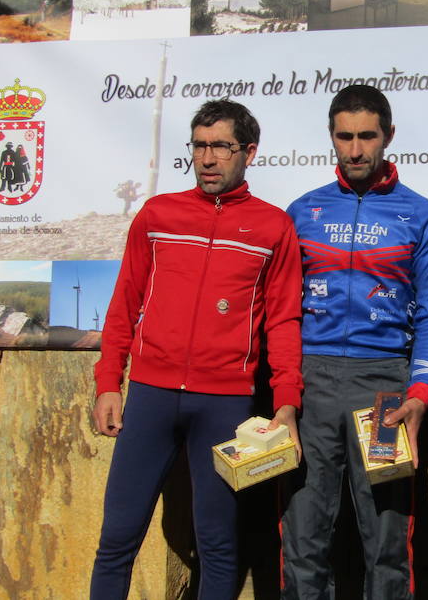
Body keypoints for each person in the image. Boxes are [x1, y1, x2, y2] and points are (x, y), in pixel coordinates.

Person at [90, 99, 303, 599]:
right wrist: (108, 383)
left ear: (249, 151)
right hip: (150, 395)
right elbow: (124, 304)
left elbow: (286, 324)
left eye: (221, 147)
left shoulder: (274, 228)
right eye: (199, 146)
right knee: (117, 539)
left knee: (219, 545)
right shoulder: (158, 214)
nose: (207, 159)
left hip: (225, 404)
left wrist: (287, 402)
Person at [282, 85, 428, 599]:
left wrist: (419, 395)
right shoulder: (303, 212)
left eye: (367, 137)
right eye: (344, 137)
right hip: (313, 387)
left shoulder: (420, 215)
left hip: (385, 392)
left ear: (389, 137)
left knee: (387, 543)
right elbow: (282, 314)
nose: (355, 150)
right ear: (331, 137)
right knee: (303, 538)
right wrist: (286, 392)